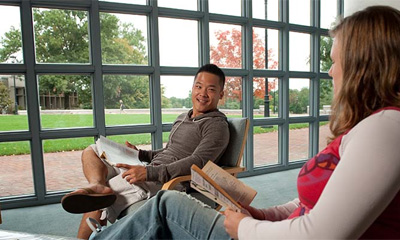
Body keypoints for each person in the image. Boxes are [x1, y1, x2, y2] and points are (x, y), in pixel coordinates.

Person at [88, 5, 400, 239]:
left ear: (363, 65)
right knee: (98, 158)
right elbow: (311, 206)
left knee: (166, 204)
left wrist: (247, 227)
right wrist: (263, 214)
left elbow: (319, 234)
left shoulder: (386, 129)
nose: (330, 72)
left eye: (334, 62)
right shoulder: (371, 127)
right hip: (267, 228)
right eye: (198, 86)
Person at [61, 63, 230, 239]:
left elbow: (198, 162)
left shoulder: (216, 126)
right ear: (193, 88)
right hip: (153, 167)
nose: (202, 93)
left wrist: (149, 172)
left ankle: (99, 193)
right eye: (199, 86)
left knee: (97, 199)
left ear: (221, 94)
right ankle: (97, 184)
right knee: (93, 150)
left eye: (210, 89)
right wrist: (140, 154)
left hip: (169, 180)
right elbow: (170, 151)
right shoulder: (183, 118)